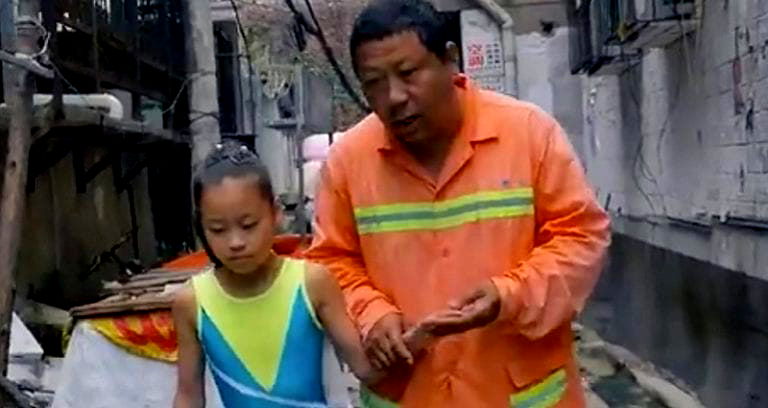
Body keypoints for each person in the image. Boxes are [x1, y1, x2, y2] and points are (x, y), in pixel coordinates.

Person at [305, 0, 611, 406]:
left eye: (408, 73)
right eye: (374, 83)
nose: (394, 96)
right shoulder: (350, 160)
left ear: (450, 60)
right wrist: (373, 313)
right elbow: (331, 263)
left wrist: (507, 295)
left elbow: (581, 239)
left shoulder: (528, 135)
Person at [172, 142, 443, 408]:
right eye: (218, 229)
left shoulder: (312, 283)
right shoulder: (192, 302)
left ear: (276, 214)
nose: (235, 242)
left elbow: (366, 369)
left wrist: (413, 341)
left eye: (248, 225)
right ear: (202, 227)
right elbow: (189, 395)